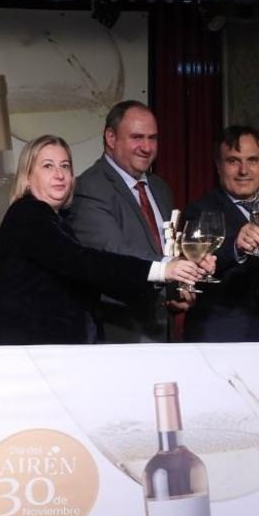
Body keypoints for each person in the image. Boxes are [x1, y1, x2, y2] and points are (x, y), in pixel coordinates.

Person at [0, 136, 210, 345]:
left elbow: (92, 280)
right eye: (48, 166)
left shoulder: (56, 220)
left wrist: (169, 288)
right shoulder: (28, 214)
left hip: (47, 355)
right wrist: (162, 270)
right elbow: (84, 263)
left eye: (65, 166)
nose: (59, 175)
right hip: (24, 356)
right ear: (27, 178)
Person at [68, 101, 184, 343]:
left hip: (162, 331)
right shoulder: (90, 187)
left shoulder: (159, 188)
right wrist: (175, 266)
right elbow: (115, 253)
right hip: (118, 332)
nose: (147, 147)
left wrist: (178, 287)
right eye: (137, 137)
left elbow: (165, 248)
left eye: (153, 138)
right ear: (111, 138)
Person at [181, 126, 259, 342]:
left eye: (252, 160)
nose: (244, 170)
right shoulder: (199, 211)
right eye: (233, 161)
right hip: (221, 339)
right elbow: (196, 261)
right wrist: (236, 245)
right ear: (218, 165)